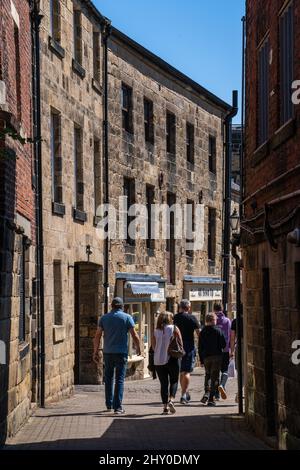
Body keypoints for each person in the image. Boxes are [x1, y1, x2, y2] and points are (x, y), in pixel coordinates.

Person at [93, 297, 141, 414]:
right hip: (121, 352)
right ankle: (118, 407)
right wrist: (139, 348)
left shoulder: (104, 318)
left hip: (108, 352)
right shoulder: (127, 317)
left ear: (111, 306)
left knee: (108, 379)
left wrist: (95, 351)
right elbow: (134, 335)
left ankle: (109, 404)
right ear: (122, 306)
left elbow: (97, 336)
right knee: (119, 379)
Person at [152, 312, 183, 415]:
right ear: (170, 319)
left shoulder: (155, 331)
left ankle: (165, 408)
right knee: (174, 381)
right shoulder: (174, 328)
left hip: (158, 361)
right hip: (172, 358)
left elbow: (153, 347)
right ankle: (171, 400)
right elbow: (180, 344)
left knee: (164, 384)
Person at [174, 299, 200, 404]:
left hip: (177, 347)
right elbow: (199, 333)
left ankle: (184, 392)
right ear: (188, 308)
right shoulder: (192, 318)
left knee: (181, 371)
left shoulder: (175, 318)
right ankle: (184, 395)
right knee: (187, 371)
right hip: (188, 346)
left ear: (180, 307)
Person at [198, 312, 226, 406]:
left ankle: (206, 392)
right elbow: (223, 344)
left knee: (207, 375)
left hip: (206, 357)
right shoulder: (218, 330)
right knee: (215, 377)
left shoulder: (202, 332)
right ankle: (211, 399)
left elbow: (200, 347)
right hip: (217, 356)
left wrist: (201, 360)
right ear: (214, 320)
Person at [214, 303, 231, 400]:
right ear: (222, 309)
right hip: (225, 349)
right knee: (225, 370)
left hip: (214, 350)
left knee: (215, 372)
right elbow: (229, 336)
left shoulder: (212, 319)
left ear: (214, 309)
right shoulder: (227, 321)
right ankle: (222, 384)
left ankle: (216, 395)